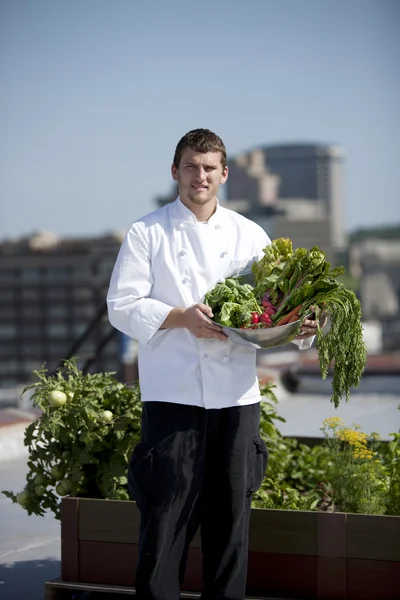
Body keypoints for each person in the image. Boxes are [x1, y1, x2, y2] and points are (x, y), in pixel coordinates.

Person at [106, 129, 319, 600]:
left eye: (208, 168)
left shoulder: (251, 235)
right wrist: (180, 318)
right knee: (165, 522)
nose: (198, 176)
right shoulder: (147, 231)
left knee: (231, 524)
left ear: (223, 174)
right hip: (172, 398)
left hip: (236, 399)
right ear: (175, 171)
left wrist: (298, 327)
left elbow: (272, 312)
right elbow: (120, 306)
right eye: (190, 166)